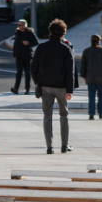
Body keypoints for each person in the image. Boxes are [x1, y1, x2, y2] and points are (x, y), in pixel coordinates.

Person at [32, 18, 75, 154]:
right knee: (64, 115)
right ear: (63, 33)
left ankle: (49, 147)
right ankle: (64, 145)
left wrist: (38, 83)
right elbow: (70, 72)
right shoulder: (66, 49)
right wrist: (70, 90)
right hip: (62, 87)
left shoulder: (41, 47)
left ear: (50, 32)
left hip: (45, 87)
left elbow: (33, 68)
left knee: (47, 116)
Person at [81, 34, 102, 121]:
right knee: (101, 95)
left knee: (91, 96)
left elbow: (83, 65)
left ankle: (91, 114)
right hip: (101, 77)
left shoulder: (86, 51)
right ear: (99, 41)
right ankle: (100, 113)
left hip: (90, 78)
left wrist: (84, 76)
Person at [11, 20, 39, 94]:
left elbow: (36, 42)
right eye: (18, 25)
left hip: (27, 56)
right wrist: (14, 54)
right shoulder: (17, 32)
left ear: (24, 26)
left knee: (27, 72)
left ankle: (27, 89)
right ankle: (16, 88)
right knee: (19, 72)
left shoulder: (29, 33)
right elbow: (15, 44)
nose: (18, 26)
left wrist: (28, 43)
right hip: (19, 56)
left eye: (20, 25)